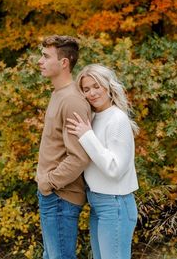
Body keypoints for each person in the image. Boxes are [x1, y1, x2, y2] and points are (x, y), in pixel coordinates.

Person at [66, 64, 139, 259]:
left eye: (96, 86)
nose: (92, 93)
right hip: (97, 201)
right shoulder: (94, 117)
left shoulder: (117, 119)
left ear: (108, 86)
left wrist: (87, 136)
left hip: (115, 203)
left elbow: (115, 169)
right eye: (86, 89)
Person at [36, 35, 91, 259]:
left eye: (46, 56)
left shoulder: (72, 100)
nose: (40, 61)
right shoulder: (59, 94)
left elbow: (79, 157)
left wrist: (48, 183)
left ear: (64, 63)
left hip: (61, 196)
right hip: (52, 195)